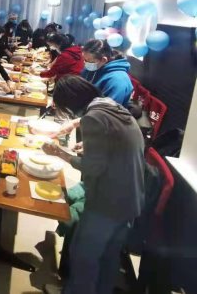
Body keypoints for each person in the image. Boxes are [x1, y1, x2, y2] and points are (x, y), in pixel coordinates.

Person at [42, 75, 145, 294]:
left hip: (108, 201)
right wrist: (89, 145)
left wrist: (59, 152)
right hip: (131, 199)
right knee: (108, 259)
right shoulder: (111, 106)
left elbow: (93, 168)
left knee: (83, 258)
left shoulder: (94, 118)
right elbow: (116, 145)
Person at [81, 39, 133, 107]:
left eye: (89, 61)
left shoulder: (117, 81)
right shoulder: (93, 67)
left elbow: (107, 110)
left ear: (103, 60)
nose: (85, 63)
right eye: (84, 59)